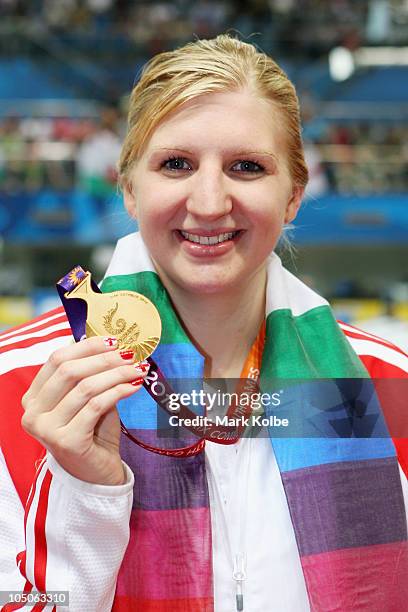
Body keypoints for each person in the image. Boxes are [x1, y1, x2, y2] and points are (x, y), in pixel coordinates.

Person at [1, 34, 408, 612]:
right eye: (176, 164)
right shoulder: (16, 383)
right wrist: (83, 495)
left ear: (293, 195)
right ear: (130, 190)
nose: (211, 202)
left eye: (246, 166)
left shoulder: (385, 384)